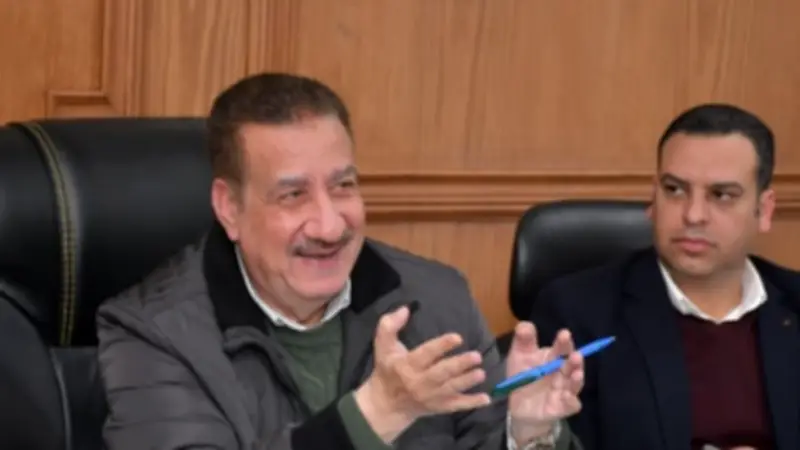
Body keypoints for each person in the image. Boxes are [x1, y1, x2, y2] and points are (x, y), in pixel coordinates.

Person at [96, 72, 586, 450]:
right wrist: (378, 412)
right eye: (293, 195)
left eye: (343, 186)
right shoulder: (152, 333)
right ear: (229, 208)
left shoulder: (437, 299)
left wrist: (527, 433)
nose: (330, 227)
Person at [530, 103, 800, 450]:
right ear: (653, 197)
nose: (694, 215)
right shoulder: (580, 314)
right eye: (675, 189)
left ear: (763, 210)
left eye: (721, 195)